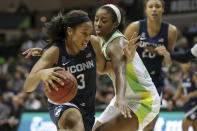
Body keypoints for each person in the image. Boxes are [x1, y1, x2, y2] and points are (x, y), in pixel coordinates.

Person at [23, 10, 140, 131]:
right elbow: (27, 86)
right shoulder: (55, 51)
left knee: (132, 120)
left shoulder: (93, 43)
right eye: (84, 33)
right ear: (70, 31)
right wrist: (41, 74)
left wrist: (126, 58)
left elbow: (103, 68)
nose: (87, 38)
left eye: (89, 34)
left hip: (87, 107)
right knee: (73, 119)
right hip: (63, 104)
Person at [91, 4, 160, 131]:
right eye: (96, 19)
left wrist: (121, 98)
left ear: (115, 24)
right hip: (123, 97)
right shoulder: (102, 41)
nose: (98, 24)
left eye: (104, 20)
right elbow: (102, 69)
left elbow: (120, 72)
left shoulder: (116, 44)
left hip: (143, 100)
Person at [124, 0, 178, 130]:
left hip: (155, 82)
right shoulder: (134, 27)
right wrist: (130, 52)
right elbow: (121, 55)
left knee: (150, 124)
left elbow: (168, 64)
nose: (154, 9)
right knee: (132, 123)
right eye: (151, 6)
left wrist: (166, 55)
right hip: (135, 81)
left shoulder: (171, 31)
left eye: (157, 6)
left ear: (163, 9)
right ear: (146, 10)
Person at [168, 62, 197, 131]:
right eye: (184, 63)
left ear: (190, 64)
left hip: (195, 105)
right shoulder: (182, 75)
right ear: (181, 64)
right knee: (195, 127)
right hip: (187, 105)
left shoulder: (193, 75)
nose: (186, 66)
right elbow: (179, 90)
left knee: (184, 124)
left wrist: (188, 96)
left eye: (187, 64)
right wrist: (172, 100)